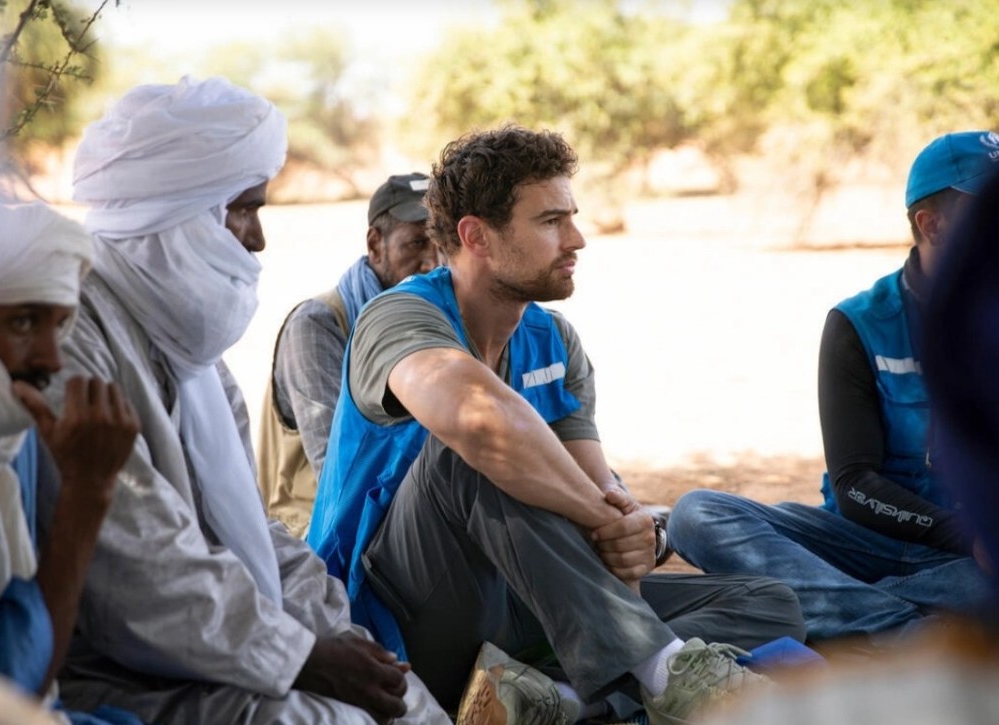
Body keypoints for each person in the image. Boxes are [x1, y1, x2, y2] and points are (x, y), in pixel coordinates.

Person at [308, 125, 807, 725]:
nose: (577, 238)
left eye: (571, 216)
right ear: (477, 236)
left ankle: (552, 701)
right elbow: (479, 423)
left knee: (765, 602)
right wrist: (601, 515)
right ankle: (664, 675)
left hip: (537, 601)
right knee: (473, 450)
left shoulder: (553, 339)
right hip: (407, 612)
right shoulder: (399, 315)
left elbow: (595, 487)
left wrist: (632, 530)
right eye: (550, 222)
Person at [41, 76, 448, 724]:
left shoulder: (187, 348)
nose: (256, 238)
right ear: (179, 213)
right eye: (242, 209)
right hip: (115, 670)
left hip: (228, 641)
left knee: (409, 704)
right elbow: (139, 572)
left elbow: (254, 533)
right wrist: (299, 655)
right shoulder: (68, 339)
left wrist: (338, 639)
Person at [668, 131, 998, 643]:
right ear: (931, 226)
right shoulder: (860, 322)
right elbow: (854, 487)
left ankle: (835, 614)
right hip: (860, 540)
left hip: (973, 561)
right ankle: (909, 631)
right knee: (696, 515)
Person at [0, 202, 143, 724]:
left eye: (59, 324)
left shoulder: (3, 437)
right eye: (22, 321)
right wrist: (86, 496)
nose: (51, 359)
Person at [258, 172, 440, 535]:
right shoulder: (318, 326)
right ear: (376, 244)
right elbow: (338, 474)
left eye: (441, 244)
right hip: (315, 534)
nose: (432, 263)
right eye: (416, 243)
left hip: (396, 517)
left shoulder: (433, 319)